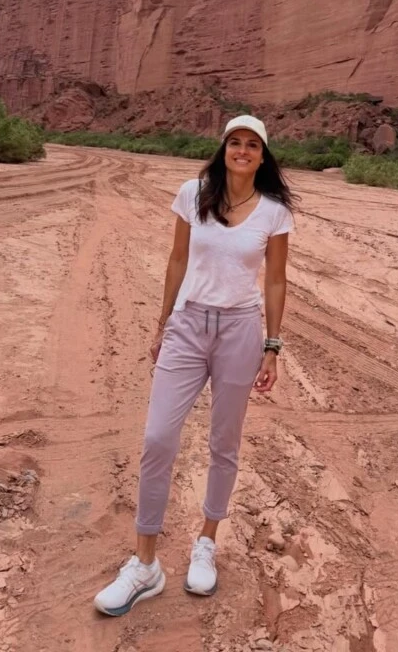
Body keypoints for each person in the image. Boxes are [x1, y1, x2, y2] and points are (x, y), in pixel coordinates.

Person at [94, 114, 297, 617]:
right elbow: (177, 261)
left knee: (223, 443)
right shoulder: (193, 192)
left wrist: (272, 345)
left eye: (253, 145)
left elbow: (275, 280)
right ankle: (145, 564)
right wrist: (162, 323)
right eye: (235, 142)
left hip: (241, 331)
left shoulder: (273, 212)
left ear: (263, 155)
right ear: (223, 148)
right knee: (157, 438)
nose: (243, 151)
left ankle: (207, 541)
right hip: (187, 326)